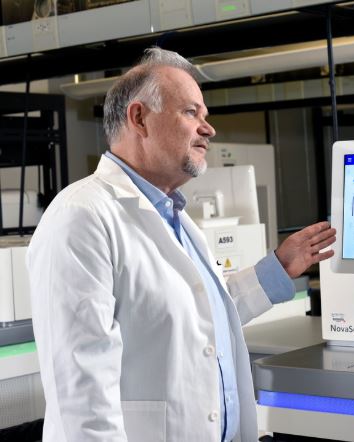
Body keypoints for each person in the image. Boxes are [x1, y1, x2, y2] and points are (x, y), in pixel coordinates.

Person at [27, 47, 336, 442]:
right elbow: (80, 392)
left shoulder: (175, 218)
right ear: (139, 118)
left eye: (205, 116)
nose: (208, 128)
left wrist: (277, 267)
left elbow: (197, 318)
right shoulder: (81, 216)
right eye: (191, 113)